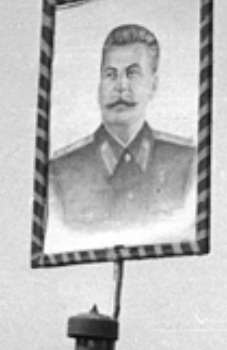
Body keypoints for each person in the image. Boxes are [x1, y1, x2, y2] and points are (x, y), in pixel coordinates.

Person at [48, 24, 195, 229]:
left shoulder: (186, 163)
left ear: (153, 86)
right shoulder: (61, 172)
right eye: (110, 75)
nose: (120, 86)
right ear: (99, 86)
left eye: (132, 74)